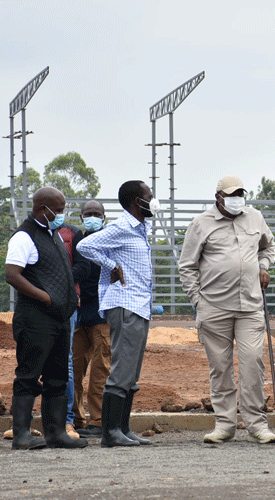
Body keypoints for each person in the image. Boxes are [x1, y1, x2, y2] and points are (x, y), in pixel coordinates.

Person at [178, 175, 275, 444]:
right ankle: (225, 425)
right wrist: (198, 302)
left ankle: (257, 424)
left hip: (250, 305)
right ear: (218, 197)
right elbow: (187, 265)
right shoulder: (201, 224)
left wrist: (263, 266)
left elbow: (269, 246)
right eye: (232, 194)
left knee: (252, 363)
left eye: (241, 194)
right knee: (220, 368)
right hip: (214, 306)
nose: (237, 199)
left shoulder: (255, 217)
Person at [77, 180, 157, 448]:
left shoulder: (140, 228)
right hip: (124, 304)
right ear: (137, 201)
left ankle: (123, 428)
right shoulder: (121, 227)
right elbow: (84, 247)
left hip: (139, 305)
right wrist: (112, 264)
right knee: (122, 368)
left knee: (131, 370)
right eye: (150, 196)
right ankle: (110, 433)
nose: (153, 200)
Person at [5, 187, 86, 450]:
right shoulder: (23, 237)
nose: (62, 214)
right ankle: (21, 435)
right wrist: (45, 297)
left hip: (60, 319)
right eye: (59, 210)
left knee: (58, 377)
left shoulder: (52, 235)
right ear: (43, 209)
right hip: (35, 318)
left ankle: (56, 432)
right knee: (28, 375)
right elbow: (13, 275)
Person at [71, 200, 111, 438]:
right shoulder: (76, 242)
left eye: (97, 214)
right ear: (81, 217)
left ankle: (98, 420)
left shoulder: (109, 242)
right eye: (88, 214)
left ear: (104, 217)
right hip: (77, 315)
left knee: (100, 370)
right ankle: (76, 419)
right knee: (74, 371)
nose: (92, 217)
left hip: (103, 315)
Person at [58, 220, 86, 439]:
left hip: (68, 303)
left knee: (66, 361)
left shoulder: (73, 233)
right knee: (33, 363)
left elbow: (82, 266)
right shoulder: (28, 233)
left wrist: (57, 281)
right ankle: (26, 421)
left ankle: (67, 421)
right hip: (38, 304)